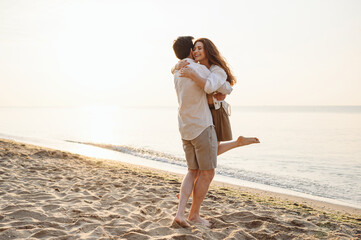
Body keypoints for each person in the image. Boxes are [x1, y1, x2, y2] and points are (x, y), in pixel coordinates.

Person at [172, 36, 223, 227]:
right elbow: (222, 86)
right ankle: (194, 215)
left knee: (192, 171)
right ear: (191, 52)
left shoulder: (177, 71)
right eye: (194, 48)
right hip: (202, 126)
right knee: (207, 173)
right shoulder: (199, 69)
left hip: (184, 127)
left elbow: (175, 67)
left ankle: (180, 214)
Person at [176, 38, 260, 155]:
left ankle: (238, 143)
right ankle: (238, 142)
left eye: (200, 48)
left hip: (216, 112)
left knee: (211, 152)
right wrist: (176, 66)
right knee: (210, 151)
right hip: (203, 112)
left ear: (208, 51)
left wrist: (220, 89)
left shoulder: (216, 69)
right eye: (194, 49)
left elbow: (227, 87)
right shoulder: (199, 67)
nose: (196, 52)